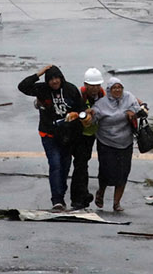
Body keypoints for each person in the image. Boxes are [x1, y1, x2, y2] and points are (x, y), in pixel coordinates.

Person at [18, 64, 85, 209]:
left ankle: (61, 192)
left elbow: (81, 109)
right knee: (55, 164)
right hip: (48, 134)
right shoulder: (42, 89)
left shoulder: (71, 89)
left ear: (61, 78)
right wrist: (39, 73)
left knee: (65, 166)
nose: (54, 82)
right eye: (51, 79)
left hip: (68, 135)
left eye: (57, 78)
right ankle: (57, 200)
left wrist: (75, 115)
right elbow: (22, 86)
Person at [88, 76, 144, 212]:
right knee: (106, 172)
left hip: (126, 142)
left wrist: (134, 113)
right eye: (114, 88)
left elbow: (142, 111)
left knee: (123, 173)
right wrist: (88, 115)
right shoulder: (101, 104)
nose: (117, 90)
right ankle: (101, 192)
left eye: (120, 87)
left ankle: (116, 203)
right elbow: (92, 120)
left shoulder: (129, 98)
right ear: (109, 90)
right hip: (106, 142)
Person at [67, 68, 107, 209]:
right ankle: (77, 198)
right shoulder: (78, 94)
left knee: (88, 164)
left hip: (95, 134)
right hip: (80, 135)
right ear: (85, 84)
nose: (95, 88)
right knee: (80, 165)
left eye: (97, 85)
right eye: (92, 85)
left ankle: (84, 194)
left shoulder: (103, 95)